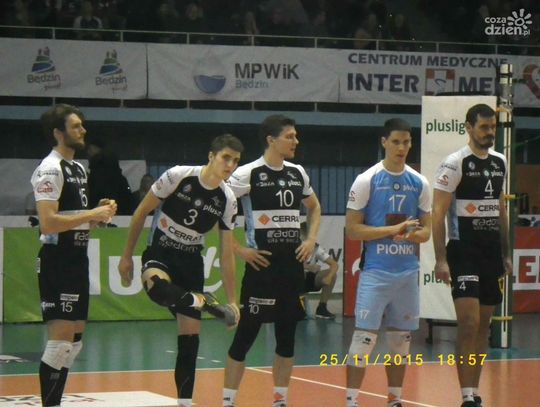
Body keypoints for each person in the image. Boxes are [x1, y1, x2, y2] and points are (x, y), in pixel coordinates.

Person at [118, 134, 243, 407]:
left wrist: (233, 301)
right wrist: (126, 256)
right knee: (158, 288)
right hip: (161, 252)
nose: (230, 165)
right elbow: (141, 212)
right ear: (211, 156)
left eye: (235, 161)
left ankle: (185, 403)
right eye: (226, 158)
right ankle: (204, 302)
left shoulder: (227, 199)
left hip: (191, 262)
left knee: (189, 339)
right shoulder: (179, 176)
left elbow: (226, 252)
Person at [222, 114, 321, 407]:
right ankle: (227, 402)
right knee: (245, 337)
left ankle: (280, 401)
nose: (295, 141)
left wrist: (310, 240)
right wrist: (239, 249)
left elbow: (314, 207)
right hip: (261, 269)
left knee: (287, 339)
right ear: (271, 140)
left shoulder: (297, 172)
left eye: (295, 136)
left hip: (291, 270)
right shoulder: (248, 173)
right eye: (289, 136)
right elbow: (218, 208)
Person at [31, 104, 117, 407]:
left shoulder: (78, 168)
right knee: (60, 343)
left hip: (78, 258)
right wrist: (91, 214)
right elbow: (48, 222)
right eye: (76, 126)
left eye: (82, 125)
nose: (83, 130)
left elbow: (72, 219)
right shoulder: (50, 169)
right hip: (58, 260)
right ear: (59, 133)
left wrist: (97, 216)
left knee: (73, 343)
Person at [345, 118, 432, 407]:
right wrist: (393, 230)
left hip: (406, 274)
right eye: (395, 142)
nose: (401, 147)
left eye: (406, 142)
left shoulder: (419, 182)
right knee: (362, 341)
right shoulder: (367, 180)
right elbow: (353, 229)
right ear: (384, 142)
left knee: (400, 343)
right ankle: (351, 401)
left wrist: (410, 234)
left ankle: (395, 400)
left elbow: (426, 233)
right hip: (376, 272)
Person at [432, 104, 512, 407]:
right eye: (484, 127)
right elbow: (437, 213)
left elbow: (500, 208)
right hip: (463, 250)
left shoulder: (500, 161)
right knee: (468, 321)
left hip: (491, 252)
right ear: (468, 127)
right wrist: (441, 259)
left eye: (493, 127)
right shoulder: (455, 163)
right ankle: (465, 395)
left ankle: (474, 390)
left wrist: (506, 253)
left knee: (483, 325)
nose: (490, 133)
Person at [87, 135, 135, 215]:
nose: (88, 153)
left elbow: (93, 195)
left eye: (90, 149)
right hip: (121, 213)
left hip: (100, 213)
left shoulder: (95, 173)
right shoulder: (117, 174)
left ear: (97, 149)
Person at [300, 221, 338, 319]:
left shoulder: (316, 247)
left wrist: (329, 277)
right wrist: (307, 267)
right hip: (294, 279)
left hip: (309, 279)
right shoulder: (293, 246)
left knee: (332, 274)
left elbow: (334, 264)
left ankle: (322, 308)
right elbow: (285, 265)